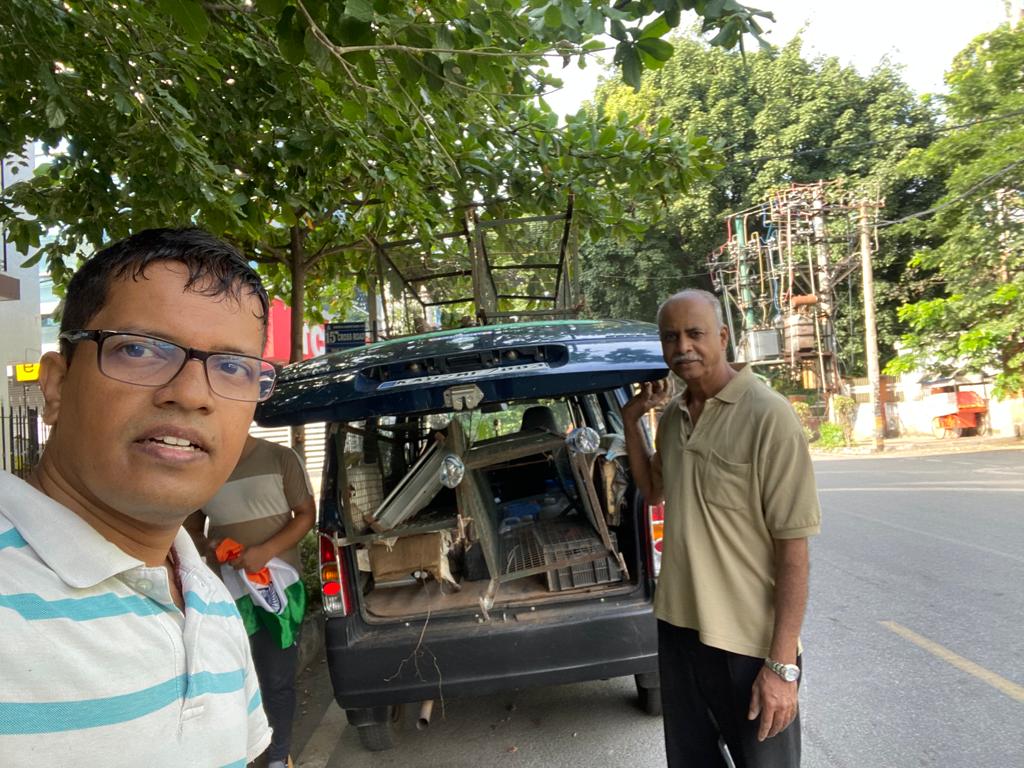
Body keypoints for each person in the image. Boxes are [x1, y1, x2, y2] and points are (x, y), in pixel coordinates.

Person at [0, 228, 276, 766]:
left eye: (232, 367)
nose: (191, 394)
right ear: (55, 386)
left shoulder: (207, 600)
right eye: (140, 349)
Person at [622, 289, 821, 768]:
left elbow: (793, 551)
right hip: (680, 629)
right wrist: (632, 420)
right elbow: (653, 490)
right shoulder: (672, 418)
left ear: (724, 337)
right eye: (671, 337)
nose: (683, 347)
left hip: (748, 641)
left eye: (696, 333)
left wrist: (781, 666)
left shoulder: (768, 415)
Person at [186, 435, 316, 768]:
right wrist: (209, 545)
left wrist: (266, 552)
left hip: (279, 592)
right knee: (238, 678)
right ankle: (244, 755)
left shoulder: (281, 458)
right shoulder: (203, 467)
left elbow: (305, 515)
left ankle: (276, 756)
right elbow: (192, 528)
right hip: (229, 595)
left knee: (276, 678)